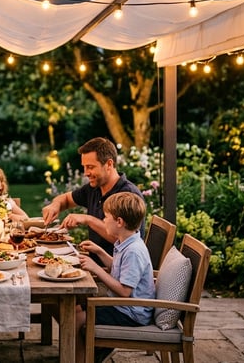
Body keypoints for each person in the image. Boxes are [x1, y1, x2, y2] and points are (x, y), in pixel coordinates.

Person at [74, 191, 155, 363]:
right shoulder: (126, 241)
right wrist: (99, 251)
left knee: (78, 317)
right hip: (124, 307)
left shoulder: (134, 251)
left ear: (119, 222)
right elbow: (118, 267)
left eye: (106, 217)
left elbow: (125, 291)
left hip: (131, 312)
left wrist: (96, 268)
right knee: (77, 307)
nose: (103, 220)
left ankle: (82, 358)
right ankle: (94, 352)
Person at [41, 137, 144, 262]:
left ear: (109, 164)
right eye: (84, 167)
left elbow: (125, 239)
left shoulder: (127, 196)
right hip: (92, 262)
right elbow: (66, 198)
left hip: (112, 271)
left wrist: (88, 219)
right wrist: (55, 205)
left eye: (90, 167)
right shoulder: (94, 187)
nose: (86, 173)